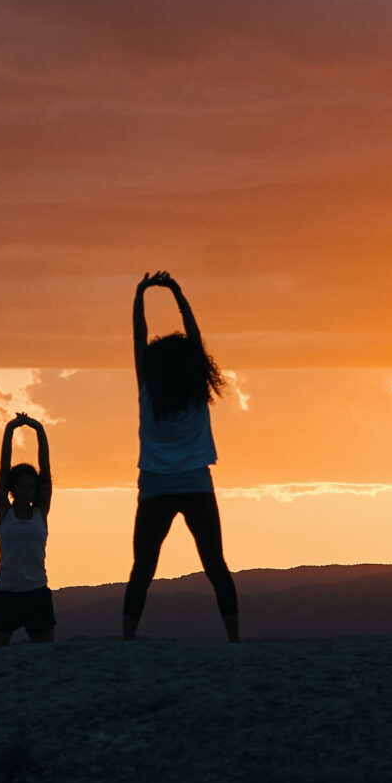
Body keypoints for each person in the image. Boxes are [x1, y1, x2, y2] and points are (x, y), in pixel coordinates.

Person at [123, 270, 239, 642]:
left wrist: (141, 294)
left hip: (155, 486)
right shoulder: (196, 393)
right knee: (215, 565)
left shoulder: (148, 389)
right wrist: (176, 293)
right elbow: (195, 337)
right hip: (195, 483)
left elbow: (138, 337)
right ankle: (233, 638)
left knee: (142, 568)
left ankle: (128, 638)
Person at [0, 412, 54, 647]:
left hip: (37, 591)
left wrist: (38, 429)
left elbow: (45, 471)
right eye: (22, 486)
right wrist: (10, 429)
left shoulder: (40, 512)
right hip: (5, 592)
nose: (27, 490)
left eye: (31, 486)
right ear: (12, 489)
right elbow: (4, 469)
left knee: (45, 654)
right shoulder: (4, 512)